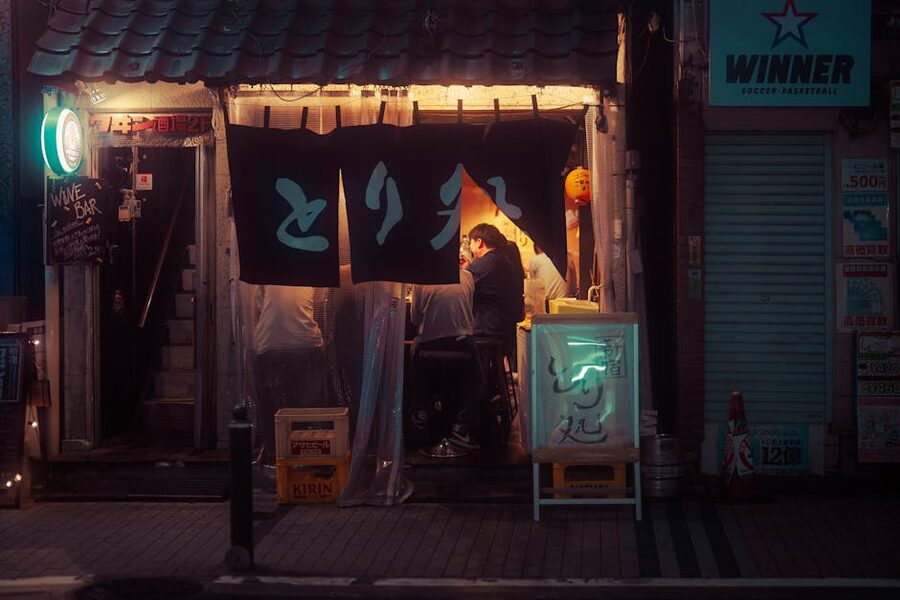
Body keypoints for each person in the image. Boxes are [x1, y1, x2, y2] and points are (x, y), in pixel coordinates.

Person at [408, 269, 481, 450]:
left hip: (430, 349)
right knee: (478, 381)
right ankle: (460, 426)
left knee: (415, 350)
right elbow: (468, 309)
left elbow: (415, 318)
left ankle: (421, 412)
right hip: (462, 345)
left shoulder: (420, 278)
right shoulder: (467, 276)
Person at [253, 284, 325, 462]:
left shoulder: (266, 270)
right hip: (305, 343)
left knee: (273, 408)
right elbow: (321, 303)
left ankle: (274, 456)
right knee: (306, 407)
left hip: (268, 343)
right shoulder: (316, 267)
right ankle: (303, 455)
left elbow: (259, 306)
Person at [466, 224, 525, 365]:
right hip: (506, 330)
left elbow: (459, 289)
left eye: (471, 242)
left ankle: (476, 384)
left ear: (479, 242)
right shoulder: (504, 260)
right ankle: (490, 381)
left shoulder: (484, 264)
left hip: (488, 330)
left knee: (451, 337)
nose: (470, 247)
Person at [528, 244, 574, 309]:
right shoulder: (567, 257)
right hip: (565, 303)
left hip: (545, 304)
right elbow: (573, 285)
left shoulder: (535, 260)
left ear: (538, 248)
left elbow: (534, 286)